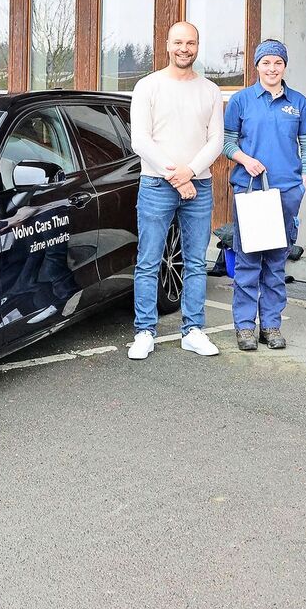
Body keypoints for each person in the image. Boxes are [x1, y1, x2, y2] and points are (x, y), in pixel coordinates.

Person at [127, 21, 224, 360]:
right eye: (179, 42)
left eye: (191, 43)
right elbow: (140, 140)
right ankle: (144, 332)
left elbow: (216, 140)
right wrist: (178, 177)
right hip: (157, 184)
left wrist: (191, 172)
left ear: (197, 46)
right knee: (148, 261)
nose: (185, 48)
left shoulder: (210, 90)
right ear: (167, 45)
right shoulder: (147, 86)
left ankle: (193, 330)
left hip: (199, 184)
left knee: (195, 262)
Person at [223, 39, 306, 351]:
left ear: (284, 66)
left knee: (276, 262)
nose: (272, 68)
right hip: (250, 191)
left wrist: (304, 177)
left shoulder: (298, 102)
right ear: (257, 66)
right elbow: (226, 142)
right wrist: (245, 160)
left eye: (278, 63)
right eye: (266, 63)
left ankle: (271, 325)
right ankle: (245, 327)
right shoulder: (241, 101)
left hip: (286, 191)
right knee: (248, 261)